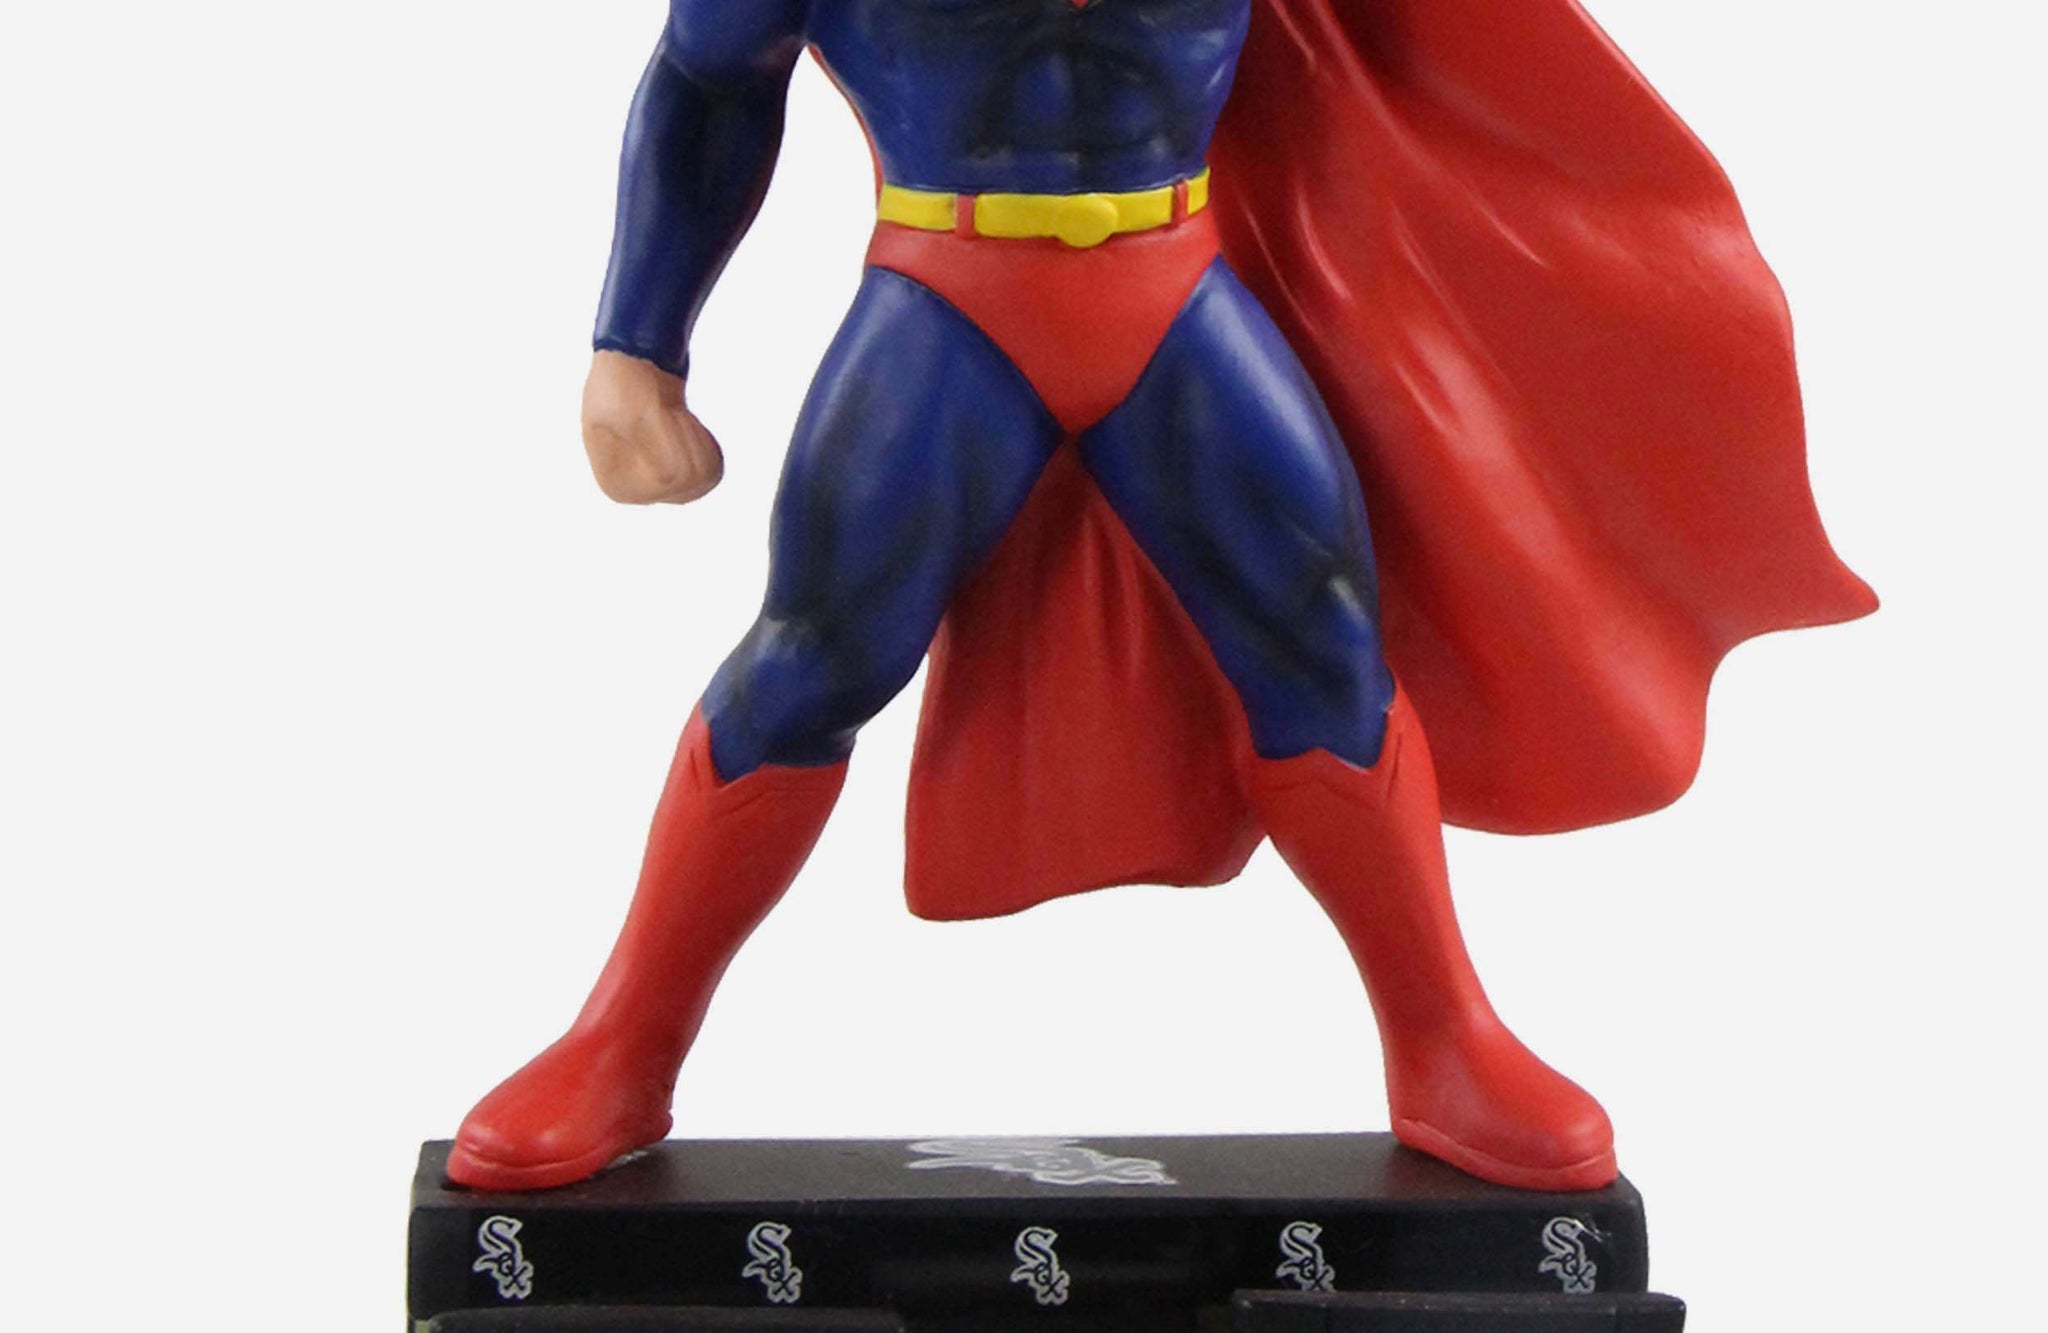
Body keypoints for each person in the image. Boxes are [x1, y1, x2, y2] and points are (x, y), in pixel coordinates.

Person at [449, 0, 1872, 1194]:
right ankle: (625, 1043)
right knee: (817, 654)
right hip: (949, 292)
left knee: (1320, 635)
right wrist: (636, 345)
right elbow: (710, 77)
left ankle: (1445, 1041)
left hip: (1169, 284)